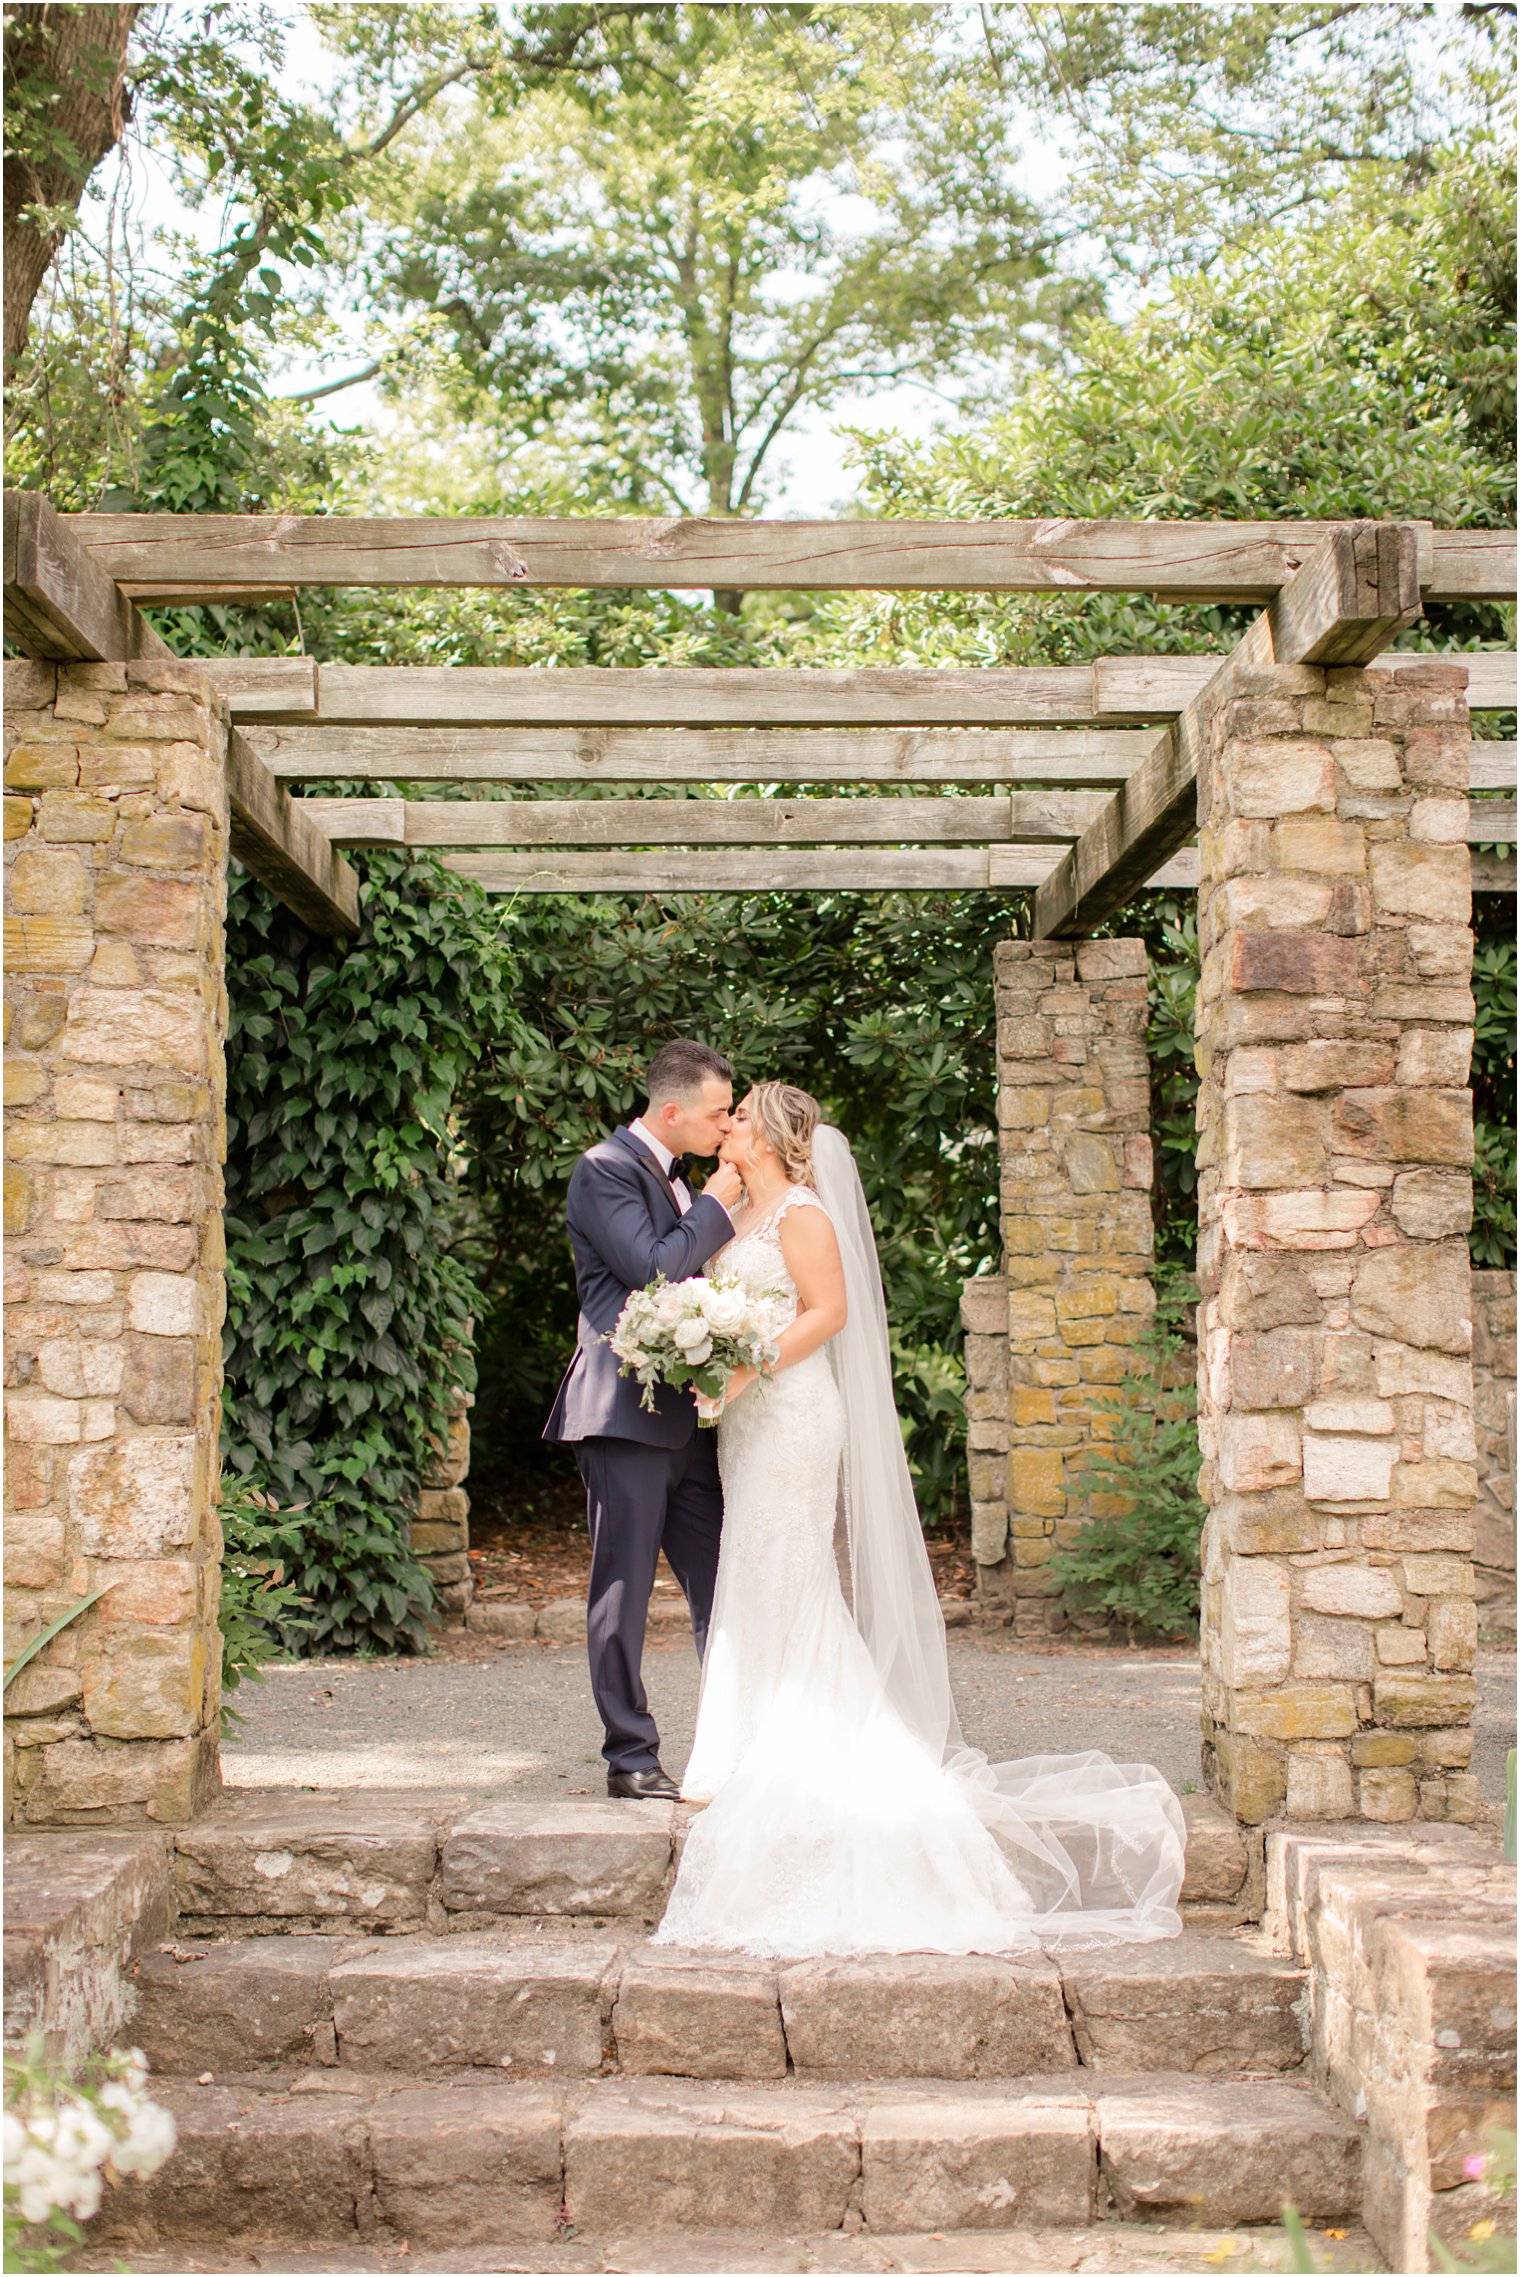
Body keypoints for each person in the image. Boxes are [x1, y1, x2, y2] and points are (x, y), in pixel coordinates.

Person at [654, 1080, 1187, 1957]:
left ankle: (772, 1750)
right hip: (744, 1424)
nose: (729, 1123)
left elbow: (830, 1312)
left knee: (787, 1566)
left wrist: (747, 1365)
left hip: (789, 1412)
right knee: (750, 1562)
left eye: (741, 1113)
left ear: (778, 1134)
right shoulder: (737, 1212)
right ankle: (737, 1744)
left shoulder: (803, 1213)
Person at [544, 1039, 744, 1799]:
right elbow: (654, 1267)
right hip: (622, 1415)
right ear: (672, 1110)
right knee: (621, 1592)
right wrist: (722, 1203)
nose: (726, 1126)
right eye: (719, 1112)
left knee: (727, 1581)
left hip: (689, 1420)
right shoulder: (603, 1170)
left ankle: (738, 1738)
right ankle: (631, 1756)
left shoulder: (681, 1179)